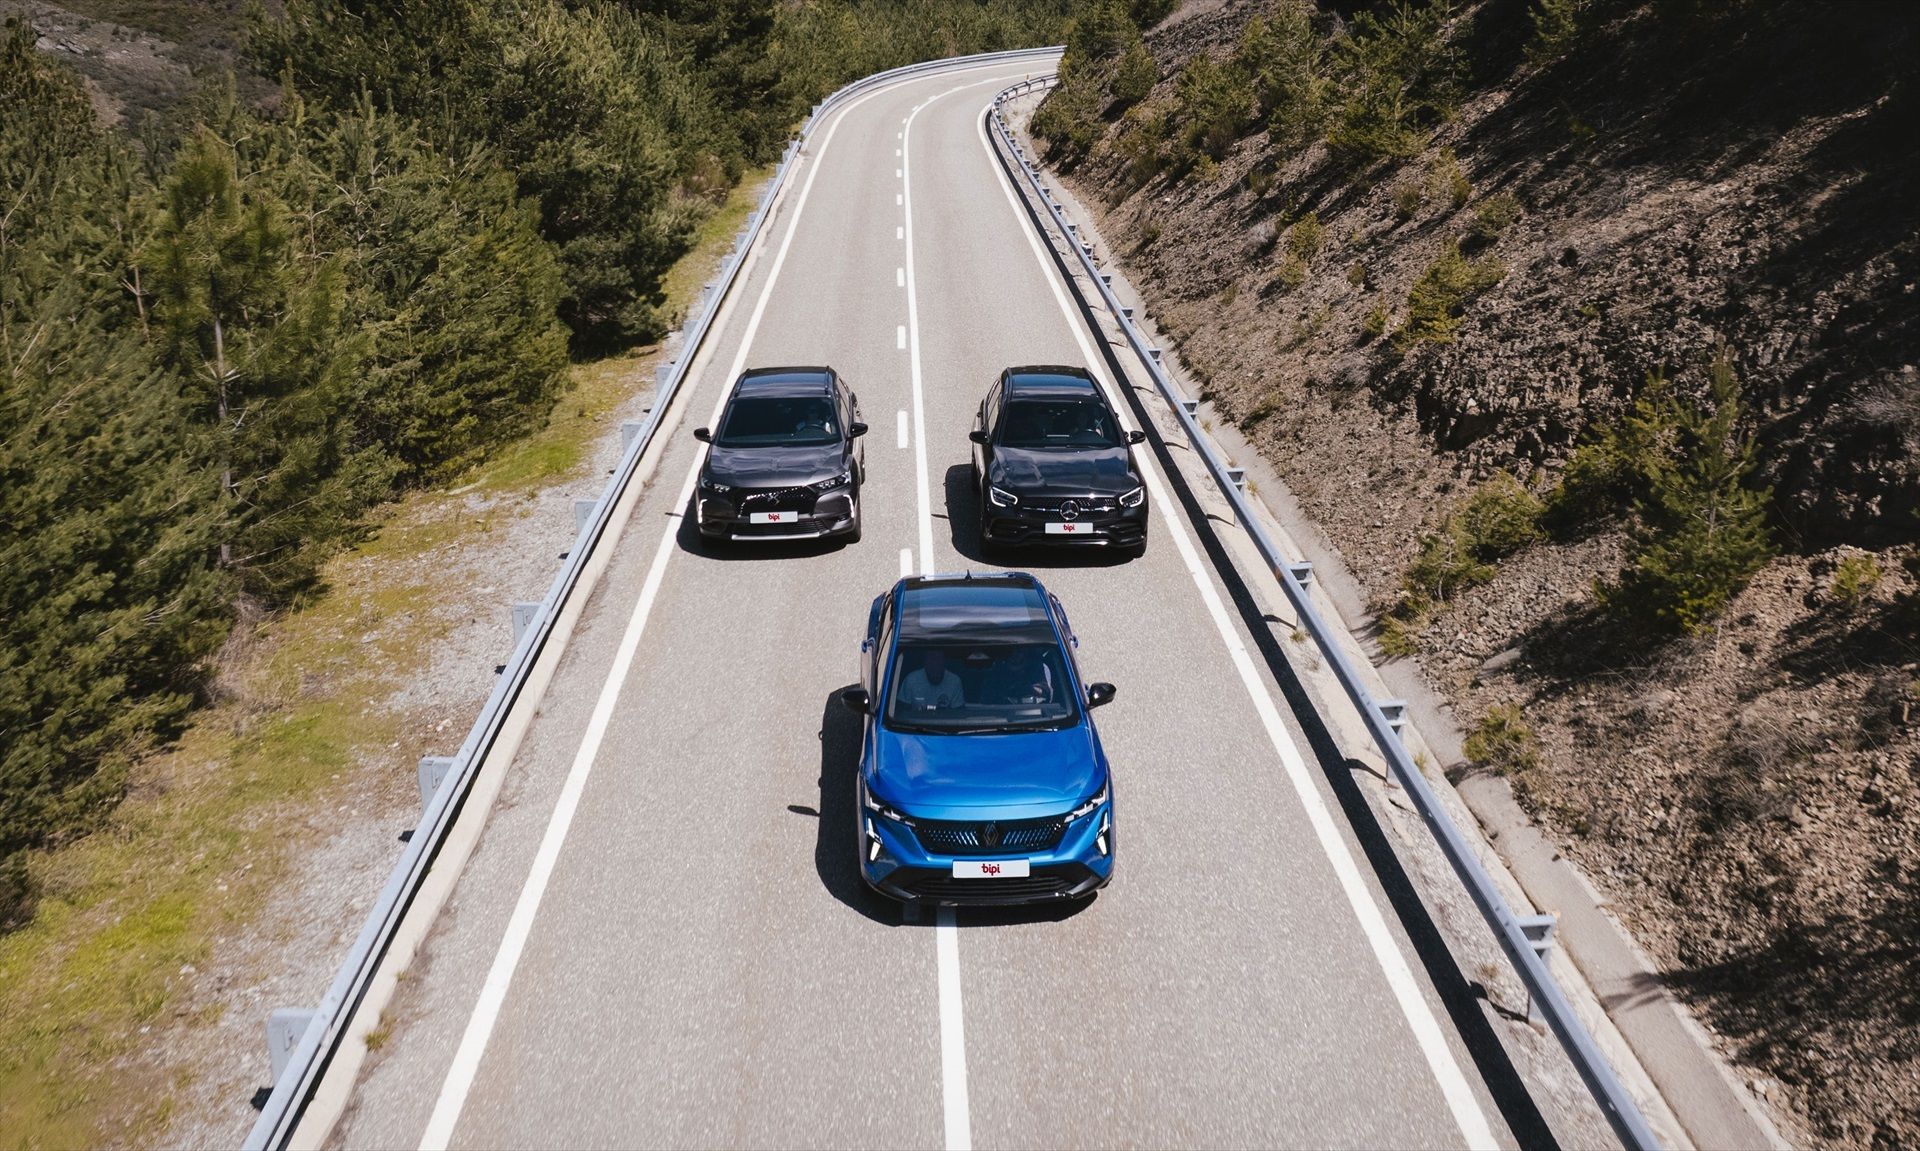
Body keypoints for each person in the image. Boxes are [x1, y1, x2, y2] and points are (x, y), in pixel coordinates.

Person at [983, 646, 1054, 705]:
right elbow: (987, 699)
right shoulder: (996, 673)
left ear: (1025, 653)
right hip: (999, 716)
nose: (1015, 655)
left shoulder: (1036, 668)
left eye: (1019, 651)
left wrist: (1028, 689)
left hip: (1033, 713)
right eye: (1010, 652)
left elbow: (1044, 693)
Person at [898, 649, 964, 710]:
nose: (935, 663)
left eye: (938, 659)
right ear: (925, 661)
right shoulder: (911, 680)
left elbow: (958, 714)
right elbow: (901, 712)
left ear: (944, 661)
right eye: (932, 658)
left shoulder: (954, 682)